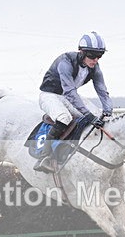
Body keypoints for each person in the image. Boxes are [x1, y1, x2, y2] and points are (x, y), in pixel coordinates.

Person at [34, 31, 114, 173]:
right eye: (92, 56)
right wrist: (87, 114)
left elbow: (102, 90)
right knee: (64, 118)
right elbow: (69, 92)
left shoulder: (95, 67)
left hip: (67, 96)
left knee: (98, 114)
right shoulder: (65, 62)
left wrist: (108, 111)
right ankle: (44, 156)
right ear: (82, 52)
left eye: (99, 56)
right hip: (49, 95)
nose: (95, 60)